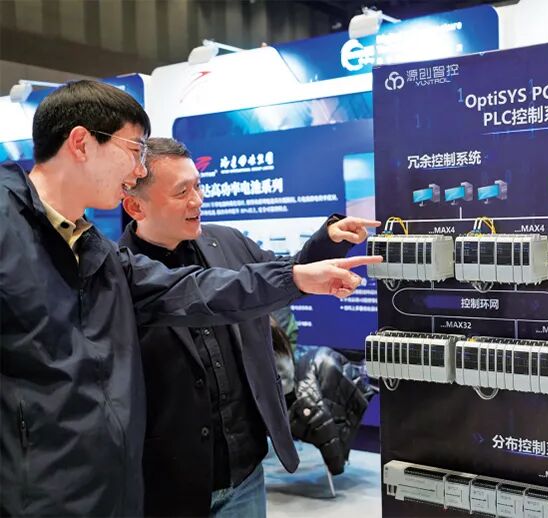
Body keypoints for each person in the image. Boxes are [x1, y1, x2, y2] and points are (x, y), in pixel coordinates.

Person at [0, 80, 380, 517]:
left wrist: (297, 274)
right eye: (133, 150)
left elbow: (198, 289)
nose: (137, 170)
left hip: (110, 491)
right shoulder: (14, 231)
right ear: (82, 143)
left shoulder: (94, 250)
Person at [119, 137, 379, 517]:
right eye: (181, 192)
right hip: (168, 482)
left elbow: (280, 276)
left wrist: (327, 243)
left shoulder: (226, 242)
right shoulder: (120, 276)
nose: (197, 200)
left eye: (198, 186)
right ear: (135, 206)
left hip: (245, 471)